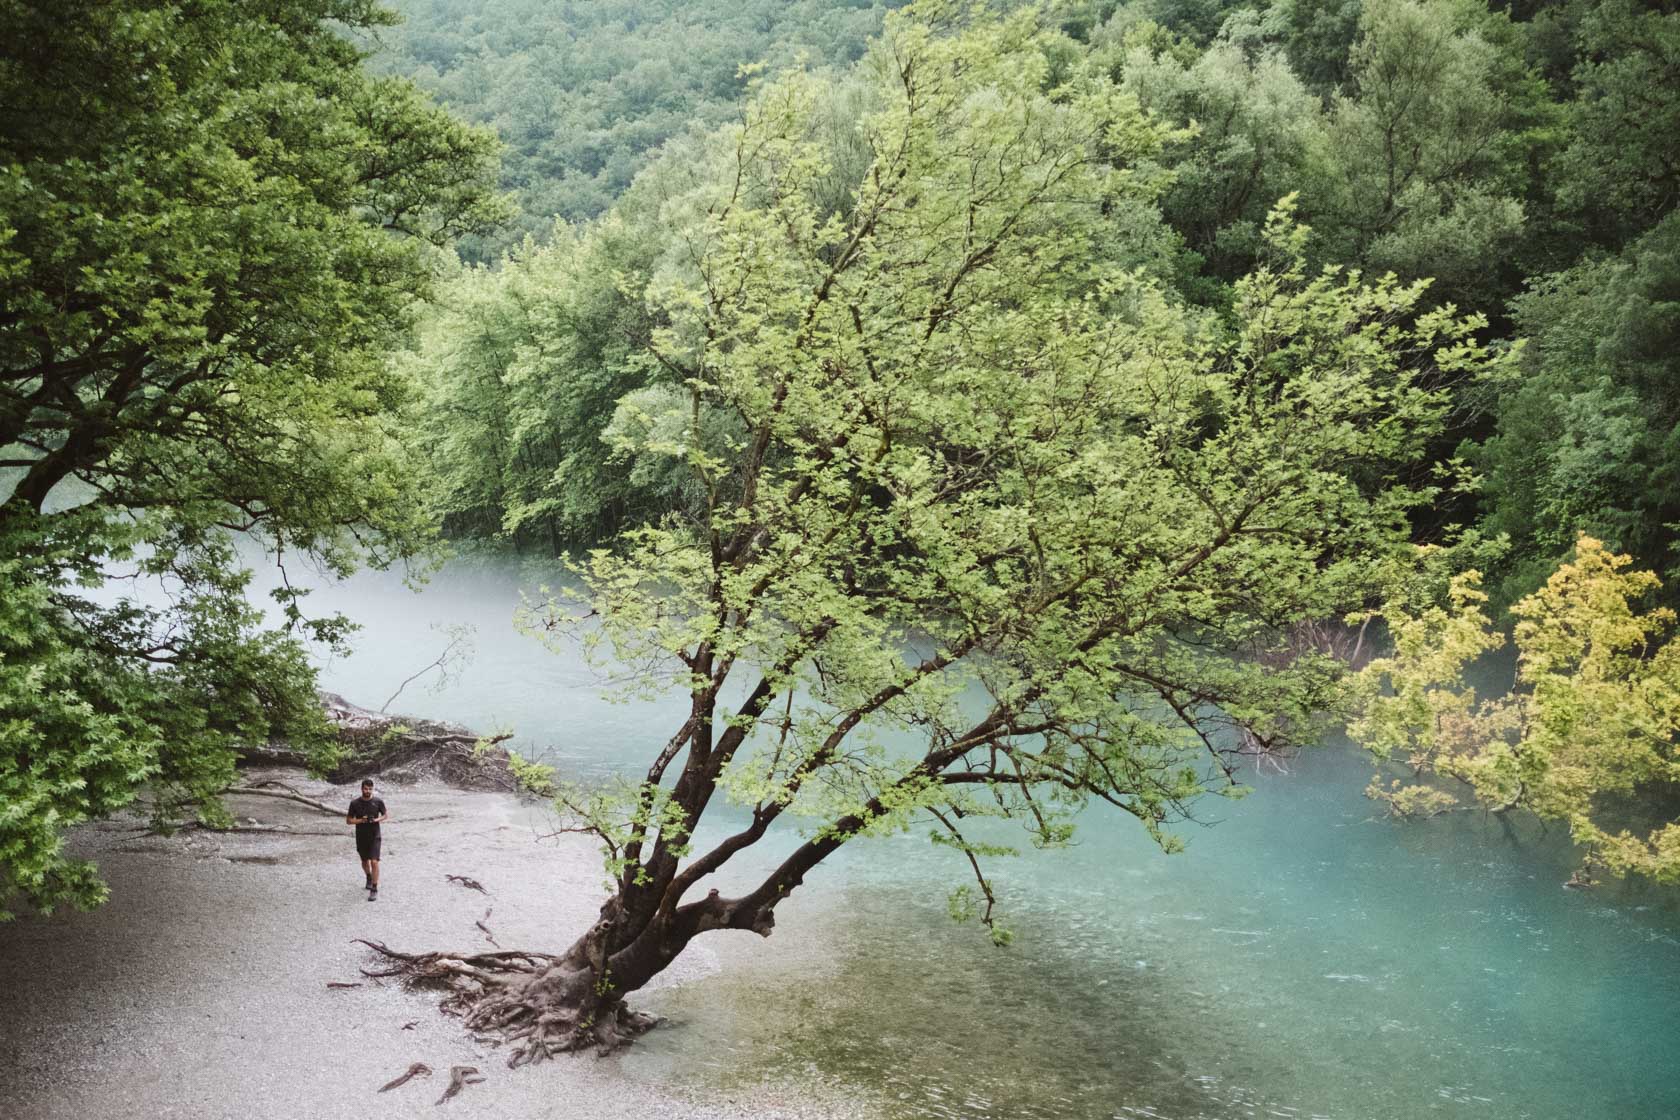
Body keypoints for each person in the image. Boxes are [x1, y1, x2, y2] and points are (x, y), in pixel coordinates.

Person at [346, 779, 388, 901]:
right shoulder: (354, 803)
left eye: (370, 789)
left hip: (375, 835)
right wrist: (361, 820)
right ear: (361, 789)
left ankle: (374, 889)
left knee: (374, 862)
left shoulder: (378, 801)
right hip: (361, 836)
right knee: (365, 861)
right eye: (365, 789)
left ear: (372, 789)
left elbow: (385, 815)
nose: (367, 791)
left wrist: (376, 820)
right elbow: (348, 820)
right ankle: (368, 877)